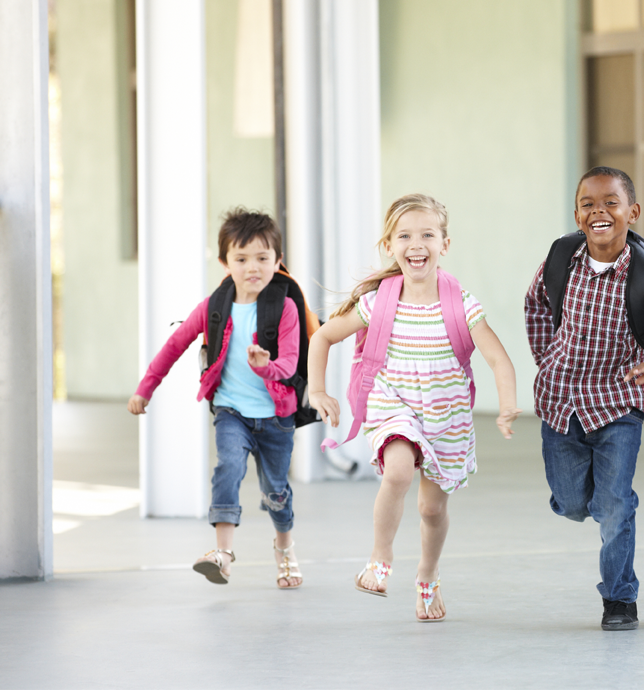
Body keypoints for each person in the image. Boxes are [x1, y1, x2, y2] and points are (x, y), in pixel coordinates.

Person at [307, 193, 520, 622]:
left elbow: (498, 358)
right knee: (399, 471)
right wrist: (317, 391)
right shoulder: (378, 303)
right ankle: (379, 558)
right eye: (404, 235)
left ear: (445, 243)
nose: (416, 243)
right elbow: (323, 337)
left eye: (427, 234)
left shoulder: (461, 304)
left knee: (431, 509)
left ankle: (428, 574)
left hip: (446, 417)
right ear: (389, 246)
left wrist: (508, 405)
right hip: (395, 405)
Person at [524, 167, 644, 631]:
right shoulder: (561, 259)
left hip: (617, 404)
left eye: (611, 202)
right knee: (570, 503)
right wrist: (547, 359)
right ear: (577, 214)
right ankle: (589, 505)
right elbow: (536, 306)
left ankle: (620, 598)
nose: (599, 211)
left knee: (615, 504)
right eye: (588, 203)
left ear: (633, 212)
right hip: (560, 401)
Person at [129, 209, 306, 589]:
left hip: (276, 418)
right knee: (228, 467)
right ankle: (223, 554)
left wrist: (266, 366)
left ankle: (285, 547)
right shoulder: (214, 306)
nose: (253, 267)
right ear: (225, 262)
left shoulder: (284, 307)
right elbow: (175, 345)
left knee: (275, 492)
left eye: (263, 258)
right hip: (232, 412)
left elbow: (290, 363)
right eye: (241, 259)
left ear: (278, 261)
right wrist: (146, 388)